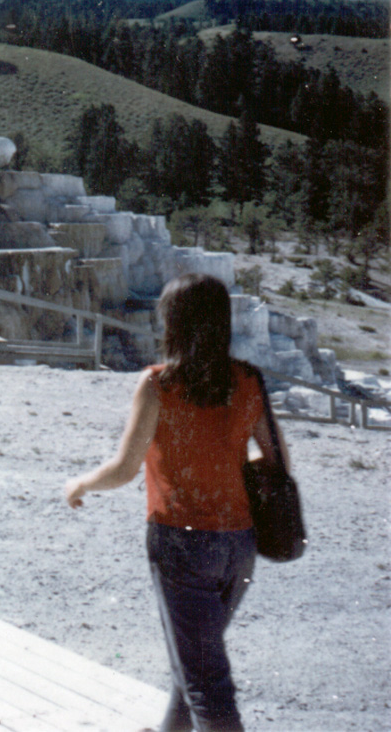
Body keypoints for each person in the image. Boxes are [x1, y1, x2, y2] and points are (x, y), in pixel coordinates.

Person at [64, 273, 290, 732]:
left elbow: (125, 469)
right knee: (193, 661)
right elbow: (275, 458)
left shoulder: (158, 385)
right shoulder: (248, 380)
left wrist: (82, 484)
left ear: (173, 323)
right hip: (239, 544)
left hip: (180, 542)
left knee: (205, 679)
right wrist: (228, 448)